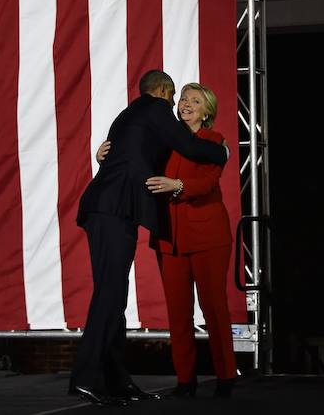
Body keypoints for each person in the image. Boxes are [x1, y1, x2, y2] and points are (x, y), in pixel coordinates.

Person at [69, 70, 229, 407]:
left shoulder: (131, 116)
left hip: (116, 211)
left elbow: (134, 155)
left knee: (116, 298)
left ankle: (117, 382)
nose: (177, 104)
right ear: (163, 91)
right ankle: (86, 379)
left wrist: (105, 157)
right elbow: (186, 146)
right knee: (109, 296)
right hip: (113, 210)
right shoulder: (155, 109)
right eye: (176, 97)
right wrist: (224, 154)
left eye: (191, 101)